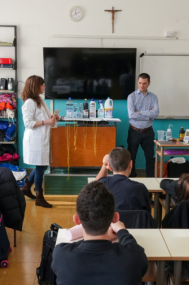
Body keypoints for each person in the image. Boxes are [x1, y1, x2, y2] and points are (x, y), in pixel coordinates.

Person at [52, 181, 149, 285]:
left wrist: (101, 239)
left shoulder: (61, 255)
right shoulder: (134, 256)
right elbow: (133, 247)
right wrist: (122, 231)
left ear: (77, 220)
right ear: (115, 218)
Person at [21, 75, 58, 208]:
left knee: (41, 166)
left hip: (42, 139)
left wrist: (54, 118)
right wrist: (46, 121)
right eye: (42, 84)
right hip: (35, 140)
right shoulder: (29, 103)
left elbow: (48, 118)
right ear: (35, 86)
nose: (45, 87)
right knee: (40, 168)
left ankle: (26, 187)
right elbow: (28, 123)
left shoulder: (40, 101)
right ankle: (39, 197)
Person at [95, 147, 151, 213]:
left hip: (108, 223)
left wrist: (104, 166)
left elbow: (95, 185)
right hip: (133, 223)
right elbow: (147, 215)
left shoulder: (102, 185)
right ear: (131, 164)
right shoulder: (140, 188)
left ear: (109, 167)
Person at [127, 73, 159, 178]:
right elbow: (131, 115)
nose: (142, 86)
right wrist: (148, 114)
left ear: (149, 83)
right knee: (131, 158)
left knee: (150, 158)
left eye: (144, 83)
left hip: (148, 132)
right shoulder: (131, 96)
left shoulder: (153, 97)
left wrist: (139, 113)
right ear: (137, 82)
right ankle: (131, 180)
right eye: (140, 83)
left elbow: (156, 114)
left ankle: (151, 182)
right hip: (134, 131)